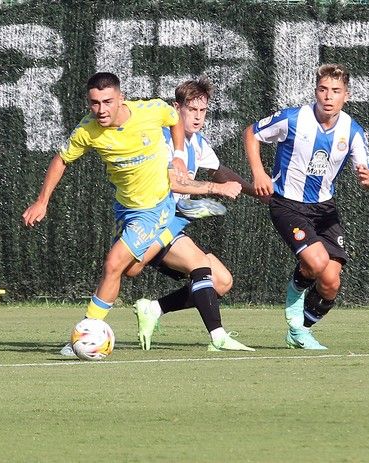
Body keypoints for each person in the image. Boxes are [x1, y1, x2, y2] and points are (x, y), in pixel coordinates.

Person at [22, 72, 252, 355]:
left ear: (121, 98)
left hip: (156, 209)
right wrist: (42, 201)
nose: (101, 110)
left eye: (108, 102)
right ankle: (150, 308)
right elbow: (61, 159)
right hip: (129, 209)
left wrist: (181, 156)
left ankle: (88, 332)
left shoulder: (153, 113)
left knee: (120, 264)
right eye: (95, 103)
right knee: (138, 268)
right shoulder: (88, 131)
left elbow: (175, 127)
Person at [244, 63, 369, 350]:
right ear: (316, 91)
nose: (328, 96)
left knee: (331, 282)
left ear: (346, 96)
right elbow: (252, 133)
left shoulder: (352, 131)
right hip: (288, 204)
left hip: (324, 210)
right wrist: (258, 172)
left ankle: (300, 330)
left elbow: (368, 172)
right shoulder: (294, 119)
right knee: (316, 263)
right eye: (323, 89)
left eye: (335, 91)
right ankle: (294, 297)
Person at [132, 76, 259, 351]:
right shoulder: (164, 141)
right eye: (192, 110)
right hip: (152, 221)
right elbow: (174, 182)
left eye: (203, 111)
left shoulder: (197, 143)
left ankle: (154, 308)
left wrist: (255, 191)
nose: (198, 117)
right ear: (176, 108)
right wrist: (215, 189)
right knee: (193, 267)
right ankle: (218, 336)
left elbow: (218, 170)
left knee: (221, 282)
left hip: (173, 224)